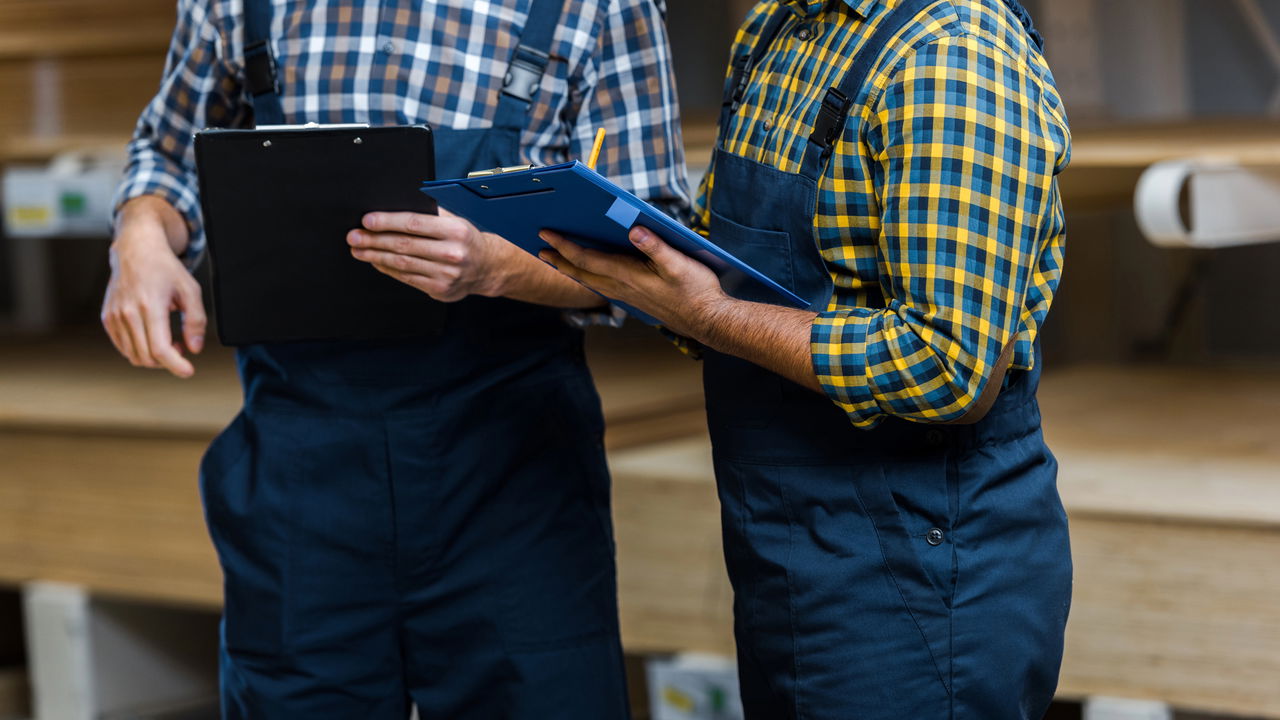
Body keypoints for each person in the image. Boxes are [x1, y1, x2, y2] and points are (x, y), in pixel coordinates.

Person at [101, 0, 688, 716]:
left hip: (510, 488)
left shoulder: (595, 8)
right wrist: (140, 239)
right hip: (301, 481)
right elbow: (169, 153)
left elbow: (659, 257)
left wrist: (499, 267)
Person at [540, 0, 1072, 717]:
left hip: (919, 566)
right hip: (782, 549)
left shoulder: (953, 56)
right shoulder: (776, 29)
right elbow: (727, 264)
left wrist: (710, 313)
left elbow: (948, 366)